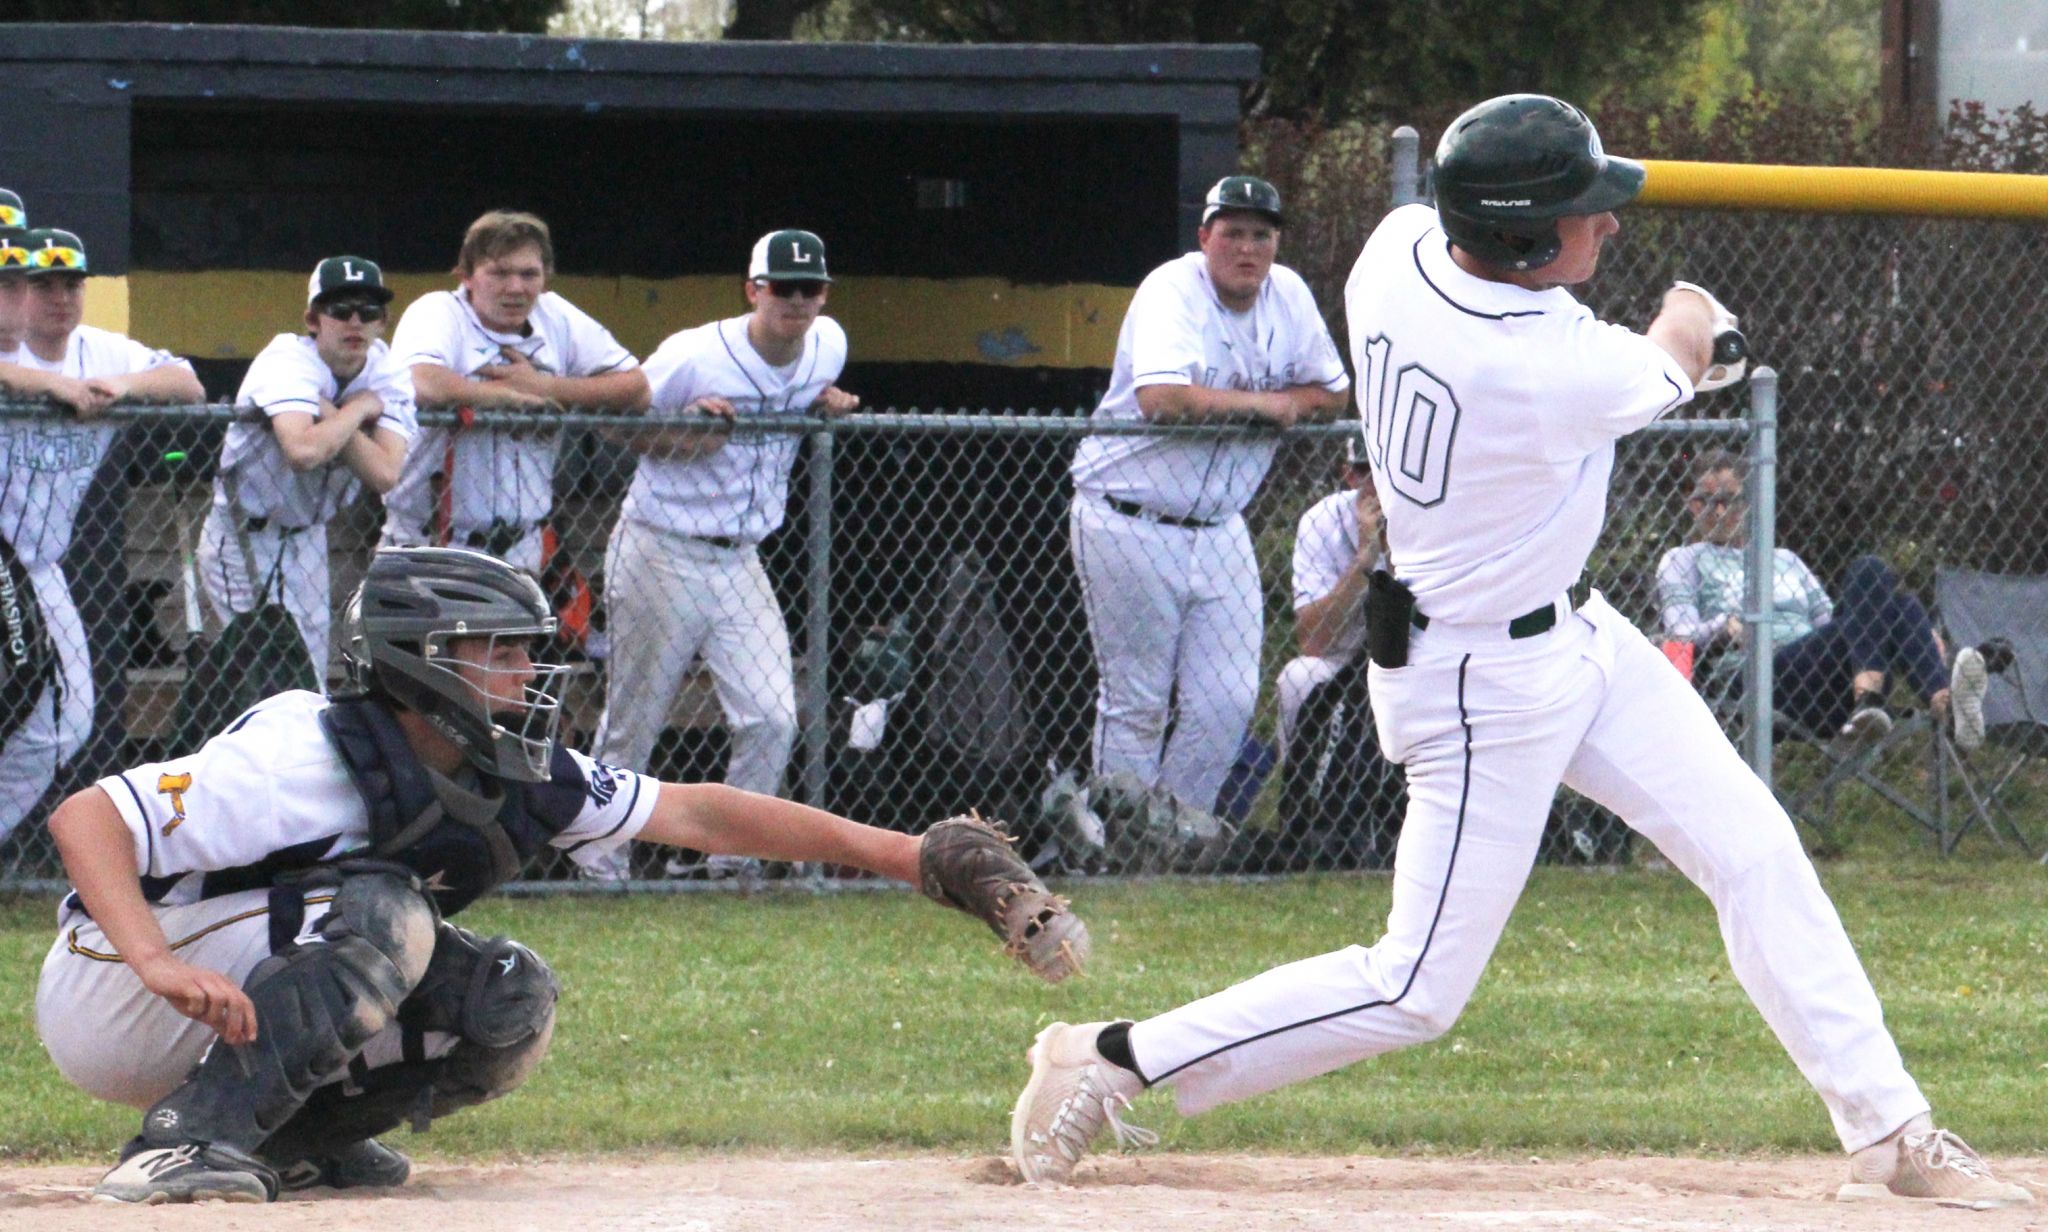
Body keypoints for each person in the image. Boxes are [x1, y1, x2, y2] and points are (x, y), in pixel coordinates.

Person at [1008, 94, 2030, 1210]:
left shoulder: (1392, 253)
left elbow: (1644, 349)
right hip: (1475, 685)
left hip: (1579, 638)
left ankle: (1890, 1126)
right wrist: (1698, 322)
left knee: (1754, 848)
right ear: (1529, 240)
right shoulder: (1552, 363)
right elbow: (1681, 332)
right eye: (1585, 212)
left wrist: (1681, 350)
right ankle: (1109, 1057)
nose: (1609, 226)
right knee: (1413, 986)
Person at [37, 545, 1087, 1204]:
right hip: (115, 983)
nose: (526, 672)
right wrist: (154, 962)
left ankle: (286, 1139)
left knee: (509, 999)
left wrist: (904, 853)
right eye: (494, 649)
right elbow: (87, 816)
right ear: (417, 661)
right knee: (387, 912)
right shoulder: (303, 750)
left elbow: (694, 807)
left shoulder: (513, 763)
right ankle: (178, 1143)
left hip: (226, 983)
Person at [1068, 175, 1351, 815]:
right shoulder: (1173, 288)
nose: (1247, 248)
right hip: (1128, 515)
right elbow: (1163, 399)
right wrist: (1268, 406)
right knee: (1137, 701)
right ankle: (1117, 838)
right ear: (1205, 238)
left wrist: (1283, 404)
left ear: (1276, 243)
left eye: (1261, 234)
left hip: (1222, 526)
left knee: (1225, 703)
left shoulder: (1289, 295)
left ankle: (1170, 837)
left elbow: (1333, 392)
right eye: (1233, 233)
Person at [589, 229, 858, 880]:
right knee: (634, 721)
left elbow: (811, 394)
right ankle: (601, 864)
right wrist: (683, 432)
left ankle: (732, 863)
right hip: (661, 546)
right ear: (753, 291)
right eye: (782, 288)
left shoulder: (829, 344)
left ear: (824, 293)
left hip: (741, 557)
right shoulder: (695, 354)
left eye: (810, 288)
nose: (796, 301)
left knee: (772, 715)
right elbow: (611, 423)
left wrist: (825, 405)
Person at [0, 227, 205, 847]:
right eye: (41, 284)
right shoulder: (14, 351)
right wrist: (48, 386)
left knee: (66, 725)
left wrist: (123, 388)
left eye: (71, 283)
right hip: (3, 556)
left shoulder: (102, 351)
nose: (59, 297)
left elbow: (189, 384)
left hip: (42, 566)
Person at [1658, 449, 1990, 751]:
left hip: (1826, 678)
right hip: (1760, 682)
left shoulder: (1784, 559)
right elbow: (1679, 634)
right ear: (1691, 505)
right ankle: (1917, 697)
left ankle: (1933, 703)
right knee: (1900, 610)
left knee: (1875, 578)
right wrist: (1723, 626)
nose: (1717, 510)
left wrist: (1906, 629)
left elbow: (1842, 625)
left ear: (1747, 503)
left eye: (1728, 499)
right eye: (1705, 499)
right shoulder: (1683, 560)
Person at [381, 210, 649, 573]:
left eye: (528, 274)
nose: (515, 287)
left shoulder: (555, 316)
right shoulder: (439, 311)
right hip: (432, 543)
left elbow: (636, 388)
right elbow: (420, 380)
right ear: (467, 277)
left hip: (523, 545)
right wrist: (508, 398)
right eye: (499, 272)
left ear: (545, 279)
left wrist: (546, 387)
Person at [198, 256, 416, 677]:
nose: (355, 321)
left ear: (383, 321)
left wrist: (334, 412)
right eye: (340, 310)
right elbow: (302, 451)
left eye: (368, 311)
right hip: (245, 534)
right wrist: (358, 412)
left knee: (310, 680)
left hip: (311, 540)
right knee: (265, 677)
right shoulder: (286, 360)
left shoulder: (387, 370)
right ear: (313, 319)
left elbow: (386, 473)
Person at [1275, 432, 1382, 760]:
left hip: (1415, 658)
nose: (1378, 483)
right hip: (1341, 658)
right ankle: (1300, 786)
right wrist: (1364, 560)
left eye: (1385, 471)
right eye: (1366, 472)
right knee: (1298, 677)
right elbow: (1312, 642)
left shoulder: (1430, 515)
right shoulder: (1322, 520)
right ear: (1349, 475)